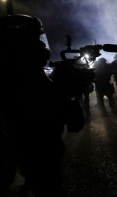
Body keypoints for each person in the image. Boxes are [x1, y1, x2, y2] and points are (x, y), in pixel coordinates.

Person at [0, 14, 85, 197]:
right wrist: (66, 91)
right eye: (36, 40)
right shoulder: (18, 76)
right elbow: (45, 112)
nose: (41, 46)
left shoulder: (18, 71)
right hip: (33, 157)